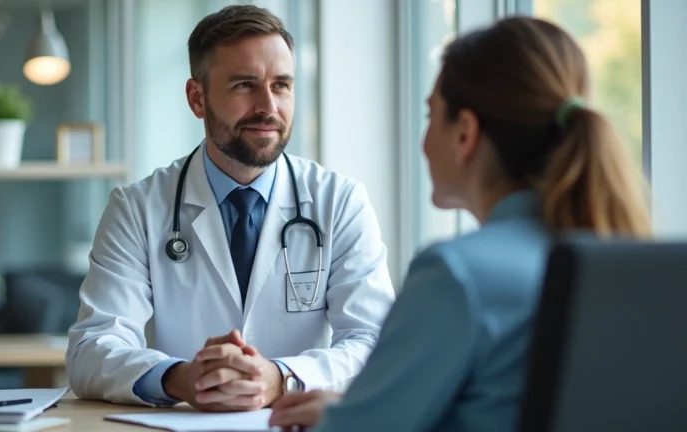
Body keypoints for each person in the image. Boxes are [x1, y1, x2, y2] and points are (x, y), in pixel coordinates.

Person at [268, 15, 651, 431]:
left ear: (465, 133)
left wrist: (343, 416)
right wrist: (351, 406)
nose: (425, 141)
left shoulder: (457, 274)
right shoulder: (621, 258)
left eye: (430, 115)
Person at [65, 4, 395, 411]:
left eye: (282, 85)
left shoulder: (339, 203)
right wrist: (178, 378)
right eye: (244, 85)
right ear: (197, 98)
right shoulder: (137, 208)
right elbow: (91, 349)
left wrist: (281, 378)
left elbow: (375, 343)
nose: (268, 107)